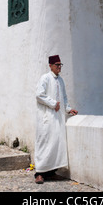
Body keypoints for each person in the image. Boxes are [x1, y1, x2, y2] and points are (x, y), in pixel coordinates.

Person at [34, 55, 78, 184]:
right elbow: (39, 95)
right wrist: (53, 103)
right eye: (57, 65)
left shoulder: (61, 80)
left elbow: (64, 98)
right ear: (50, 66)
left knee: (56, 145)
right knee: (45, 143)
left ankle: (51, 173)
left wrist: (69, 109)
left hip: (58, 118)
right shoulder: (45, 78)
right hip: (47, 117)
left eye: (60, 65)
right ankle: (39, 173)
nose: (59, 67)